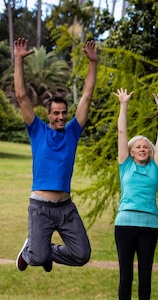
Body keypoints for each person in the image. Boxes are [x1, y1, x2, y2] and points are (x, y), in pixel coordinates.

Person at [14, 37, 97, 272]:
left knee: (82, 254)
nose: (61, 117)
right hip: (40, 206)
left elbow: (87, 96)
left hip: (66, 207)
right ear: (48, 114)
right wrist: (18, 60)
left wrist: (93, 63)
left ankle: (42, 248)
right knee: (38, 259)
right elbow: (21, 95)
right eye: (56, 113)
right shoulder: (37, 130)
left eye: (64, 113)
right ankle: (35, 249)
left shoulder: (72, 132)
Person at [112, 89, 158, 300]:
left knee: (145, 274)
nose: (142, 148)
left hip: (149, 226)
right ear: (131, 152)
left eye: (146, 146)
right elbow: (122, 133)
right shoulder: (125, 165)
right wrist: (124, 104)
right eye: (138, 146)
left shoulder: (156, 169)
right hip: (124, 225)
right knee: (126, 275)